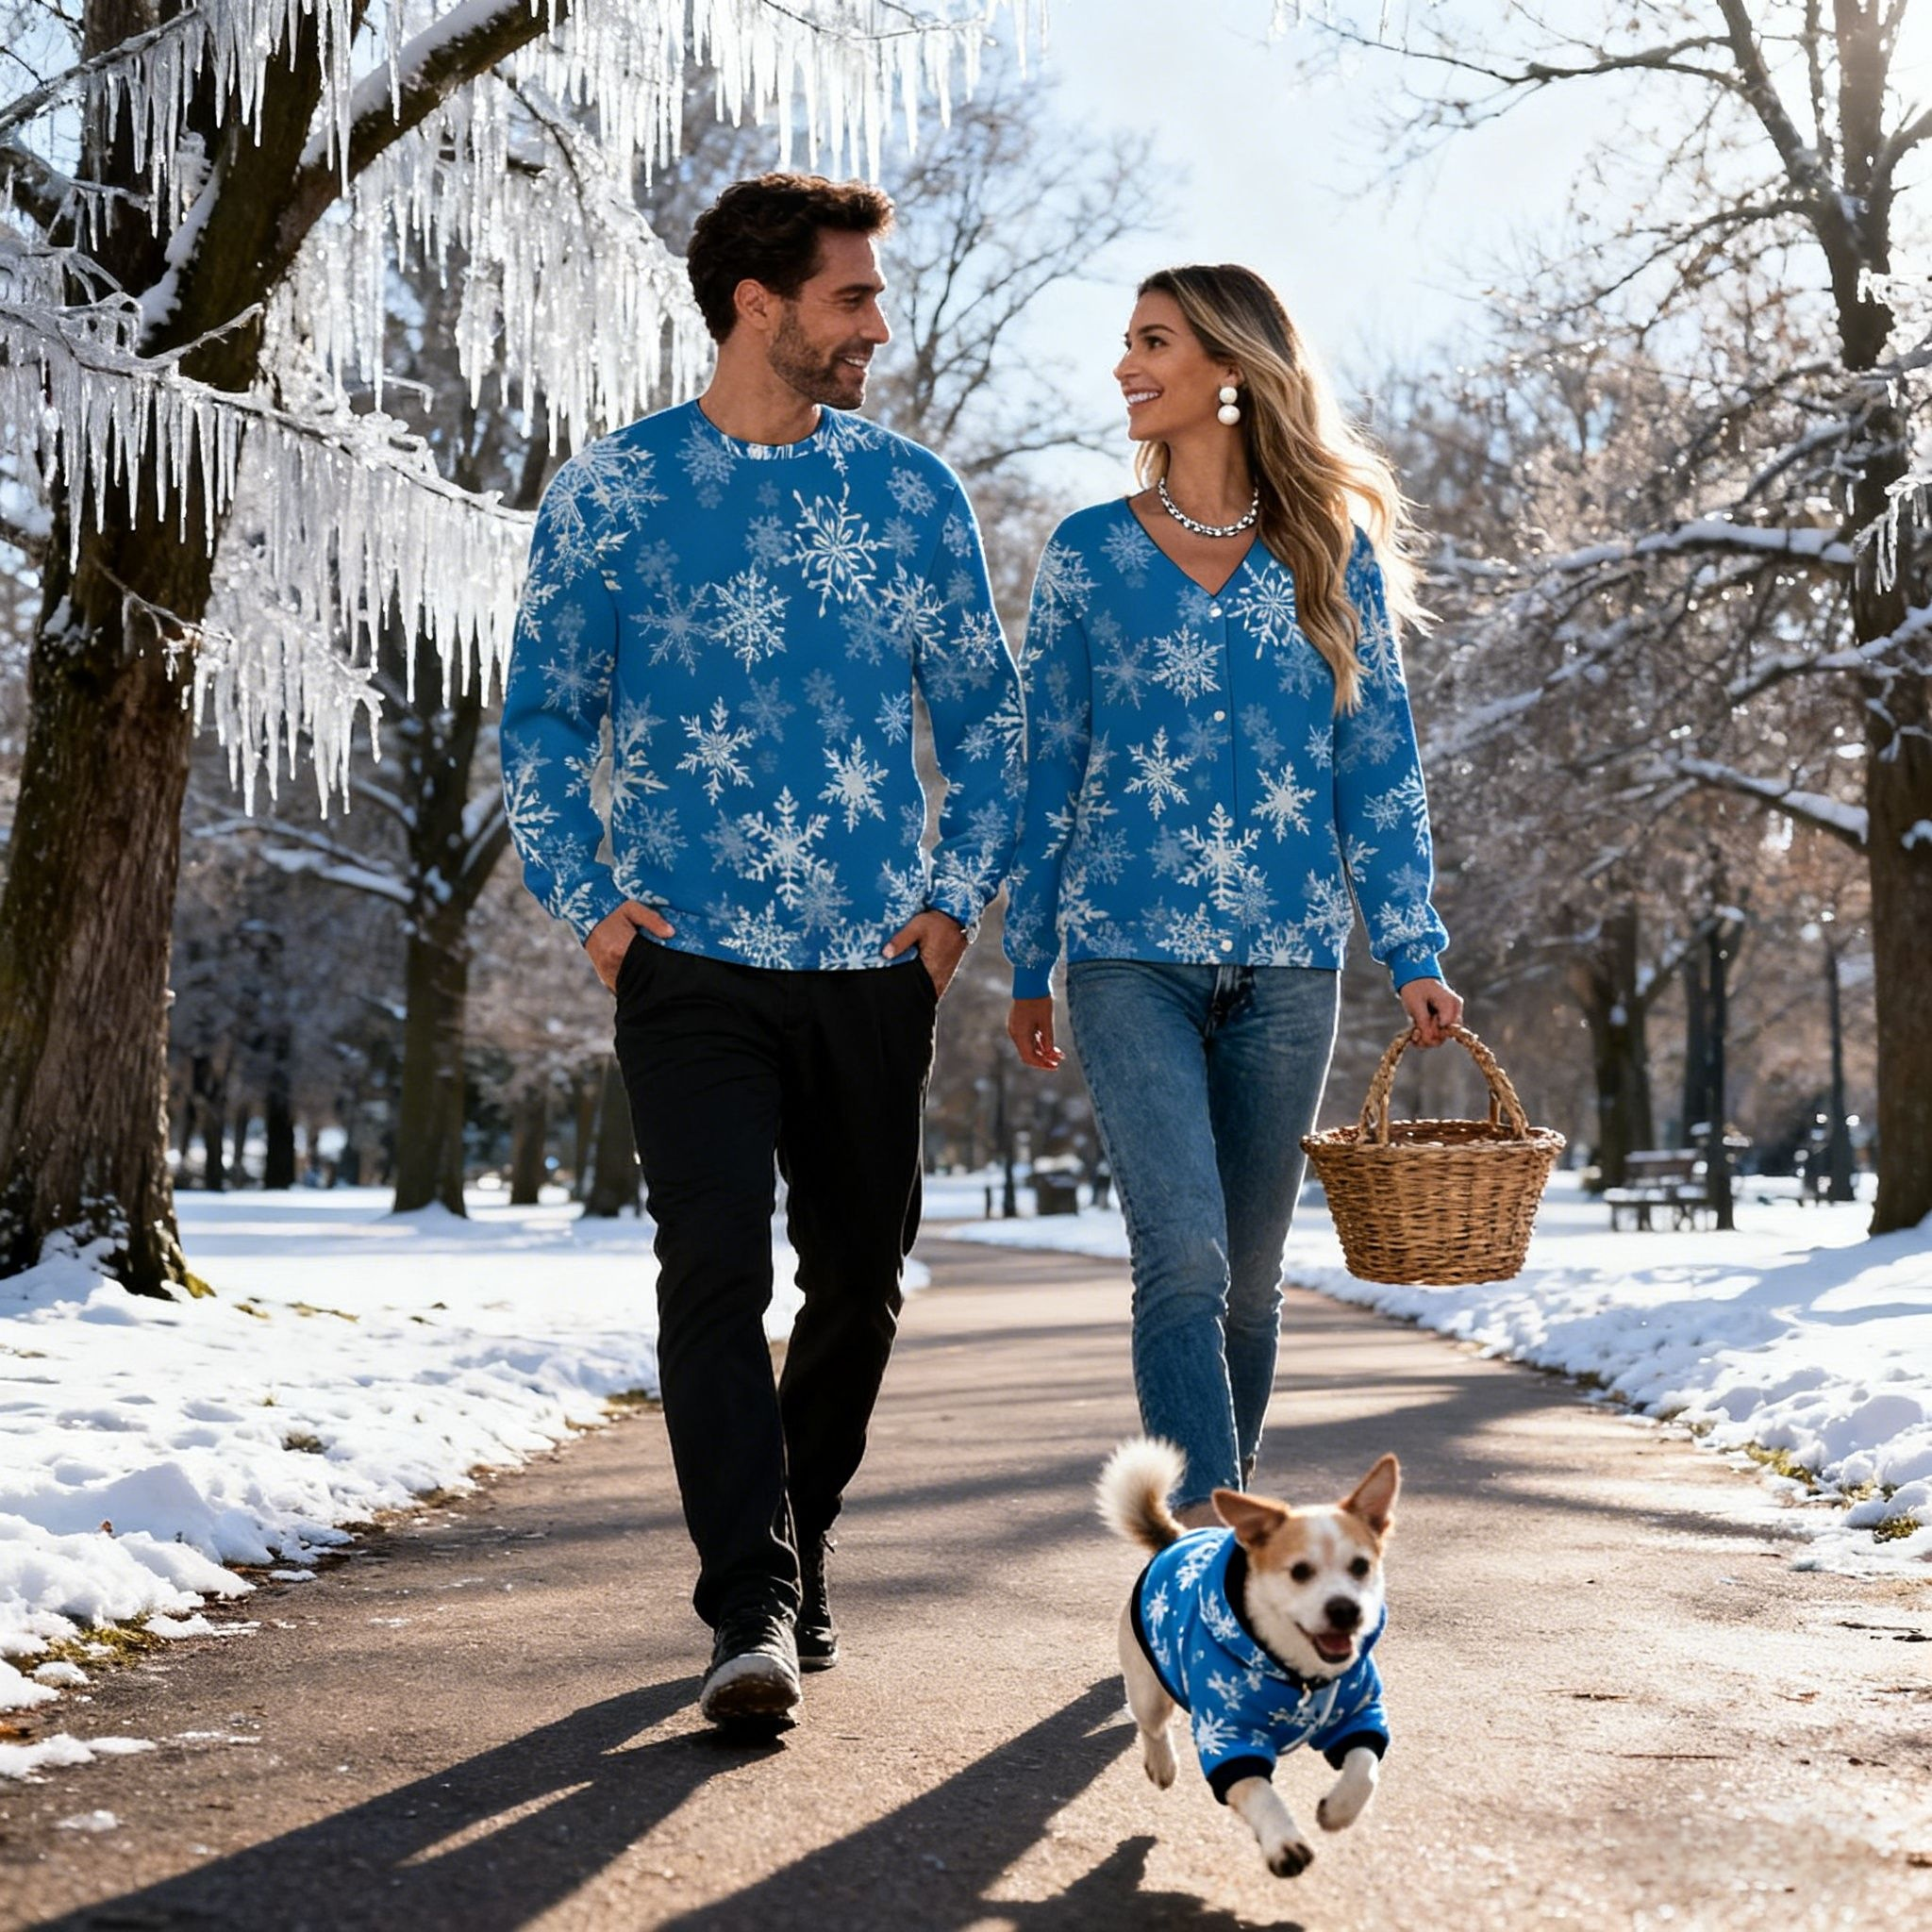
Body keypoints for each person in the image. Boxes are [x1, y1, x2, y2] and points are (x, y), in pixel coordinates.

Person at [502, 174, 1022, 1729]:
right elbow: (545, 720)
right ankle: (749, 1604)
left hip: (874, 963)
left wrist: (951, 910)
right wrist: (592, 905)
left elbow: (988, 723)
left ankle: (801, 1539)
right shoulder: (613, 493)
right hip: (690, 966)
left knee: (857, 1280)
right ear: (757, 303)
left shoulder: (912, 495)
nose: (878, 326)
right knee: (713, 1273)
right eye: (852, 297)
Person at [1003, 263, 1462, 1526]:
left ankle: (1228, 1543)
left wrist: (1412, 946)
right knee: (1185, 1259)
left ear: (1231, 371)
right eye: (1128, 342)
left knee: (1251, 1287)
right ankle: (1206, 1560)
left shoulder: (1329, 555)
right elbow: (1049, 767)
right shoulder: (1088, 554)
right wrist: (1029, 957)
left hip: (1290, 962)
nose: (1124, 366)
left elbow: (1378, 769)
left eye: (1153, 342)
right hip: (1126, 954)